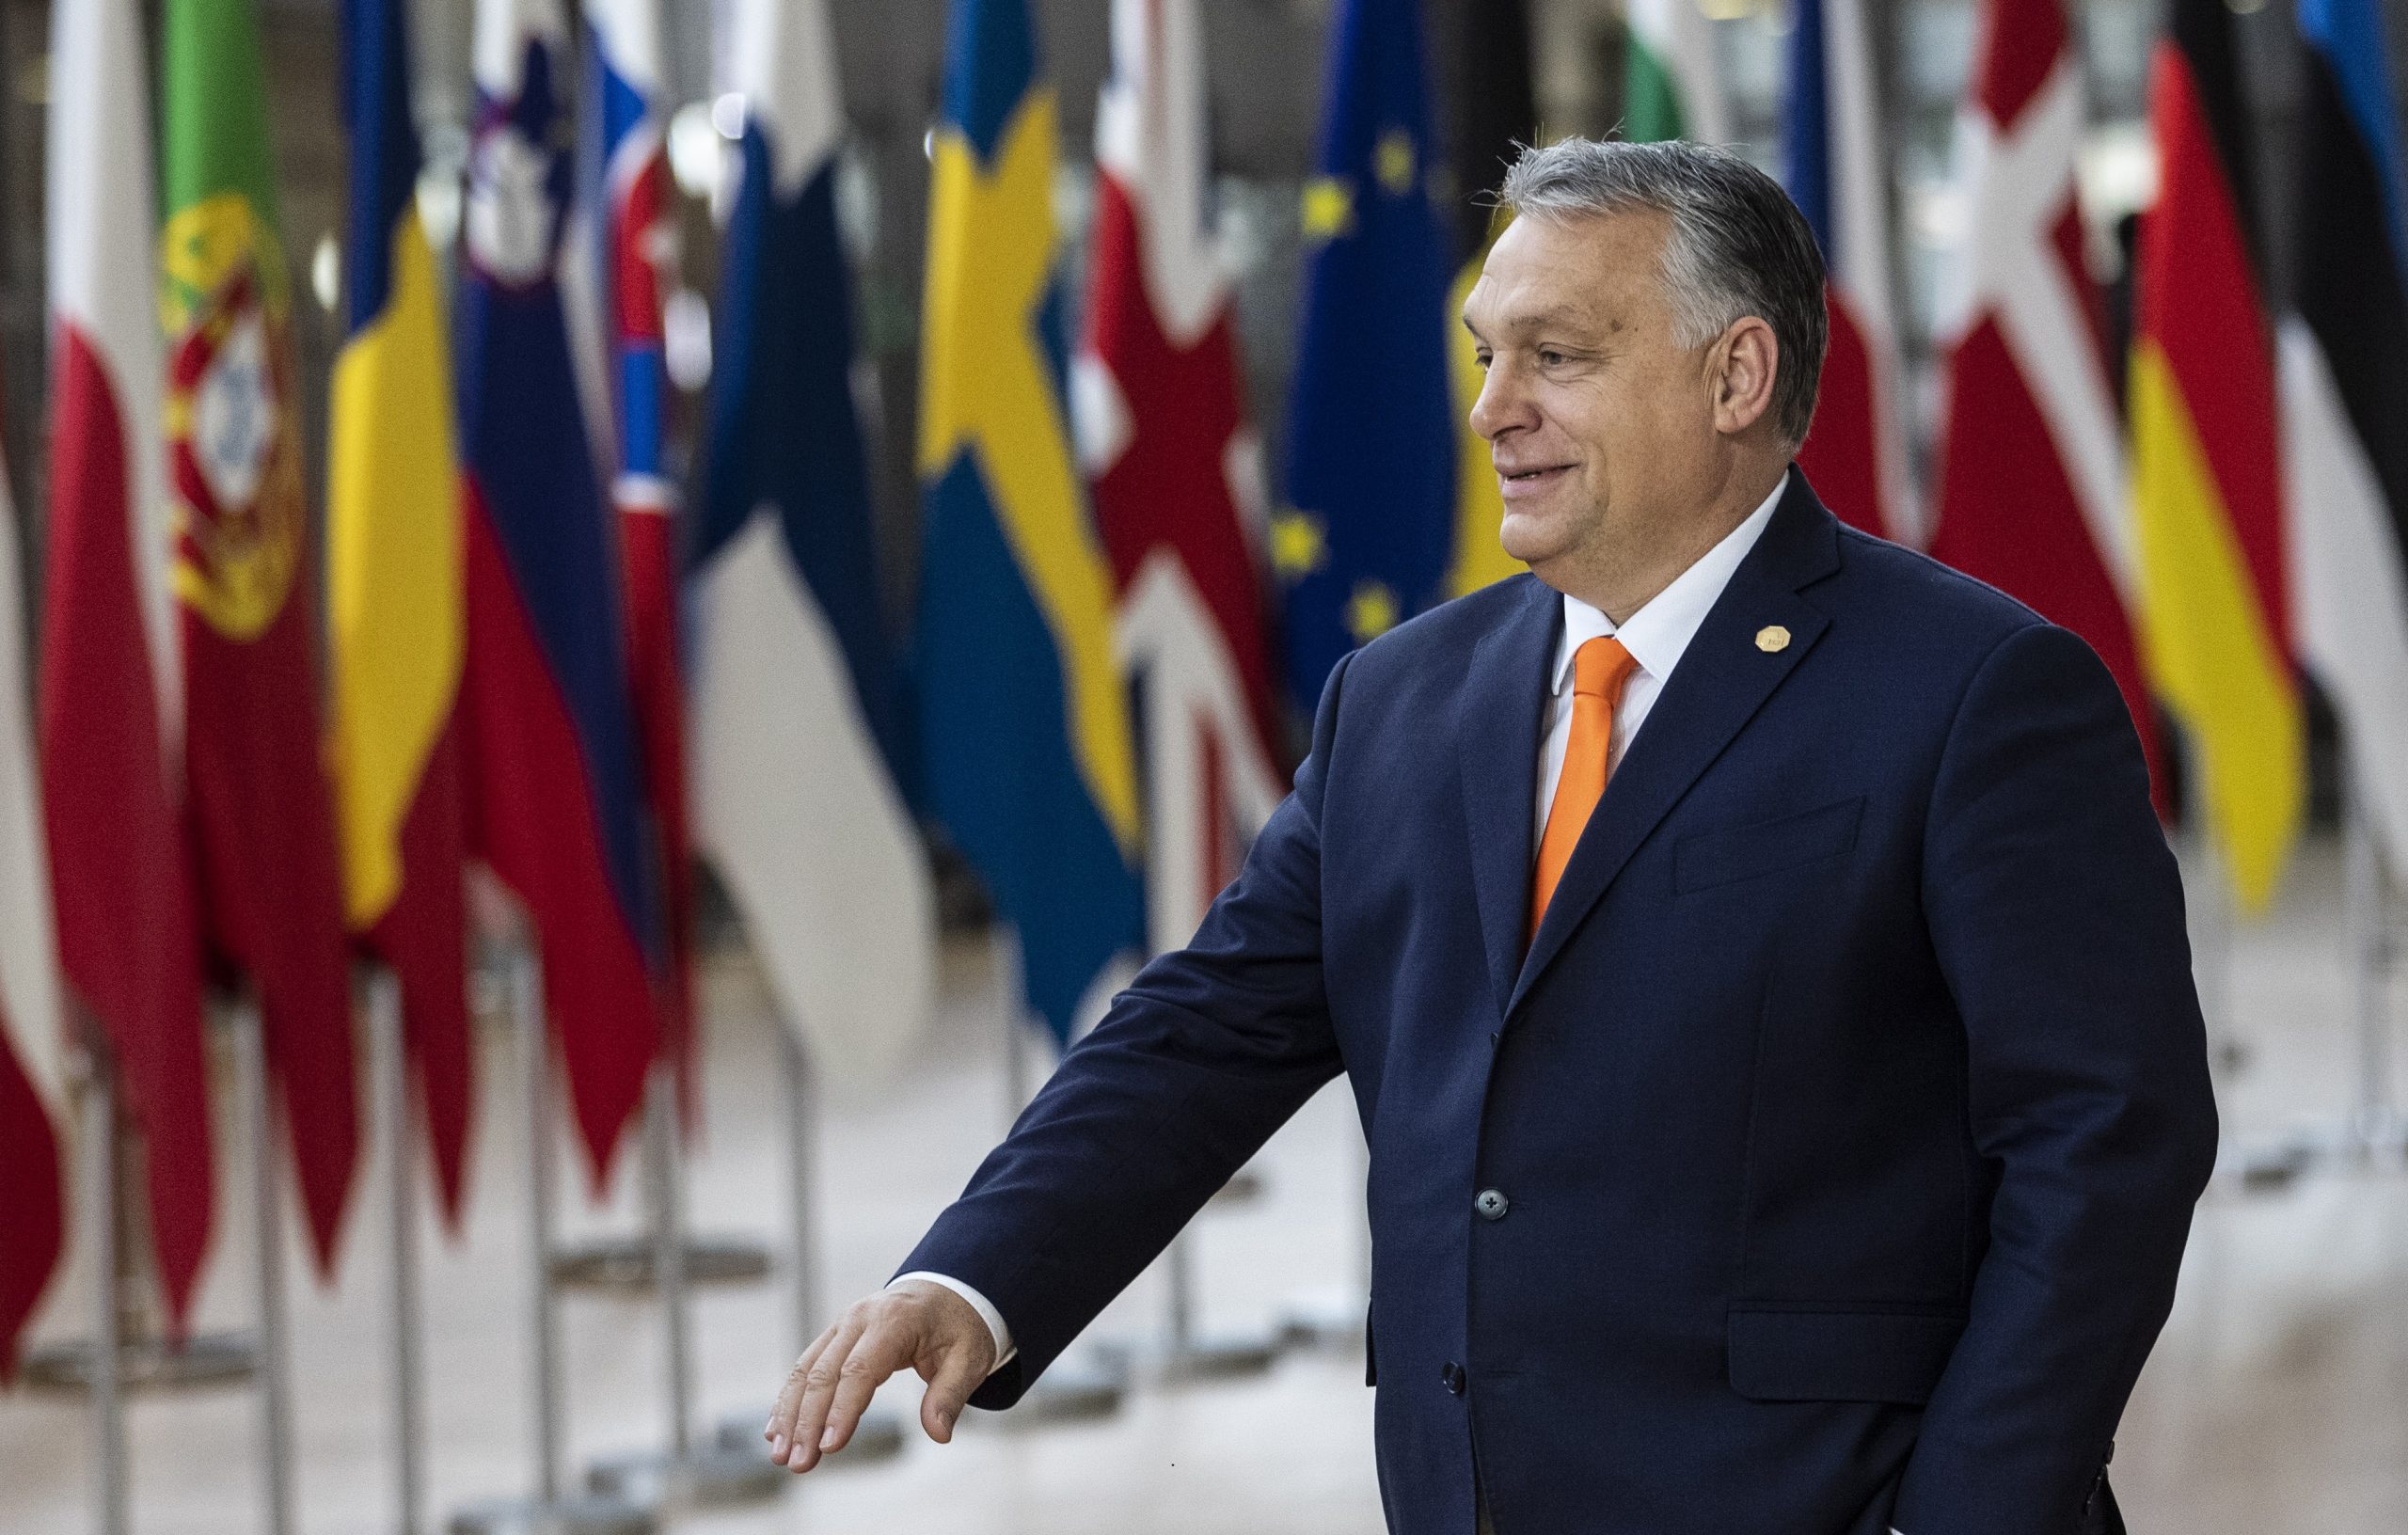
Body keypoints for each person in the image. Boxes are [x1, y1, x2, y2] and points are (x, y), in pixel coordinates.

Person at [761, 137, 2218, 1535]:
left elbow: (2105, 1145)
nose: (1493, 410)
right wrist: (973, 1279)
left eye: (1557, 357)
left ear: (1737, 375)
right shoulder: (1399, 700)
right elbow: (1207, 1027)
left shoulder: (1977, 693)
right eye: (1485, 356)